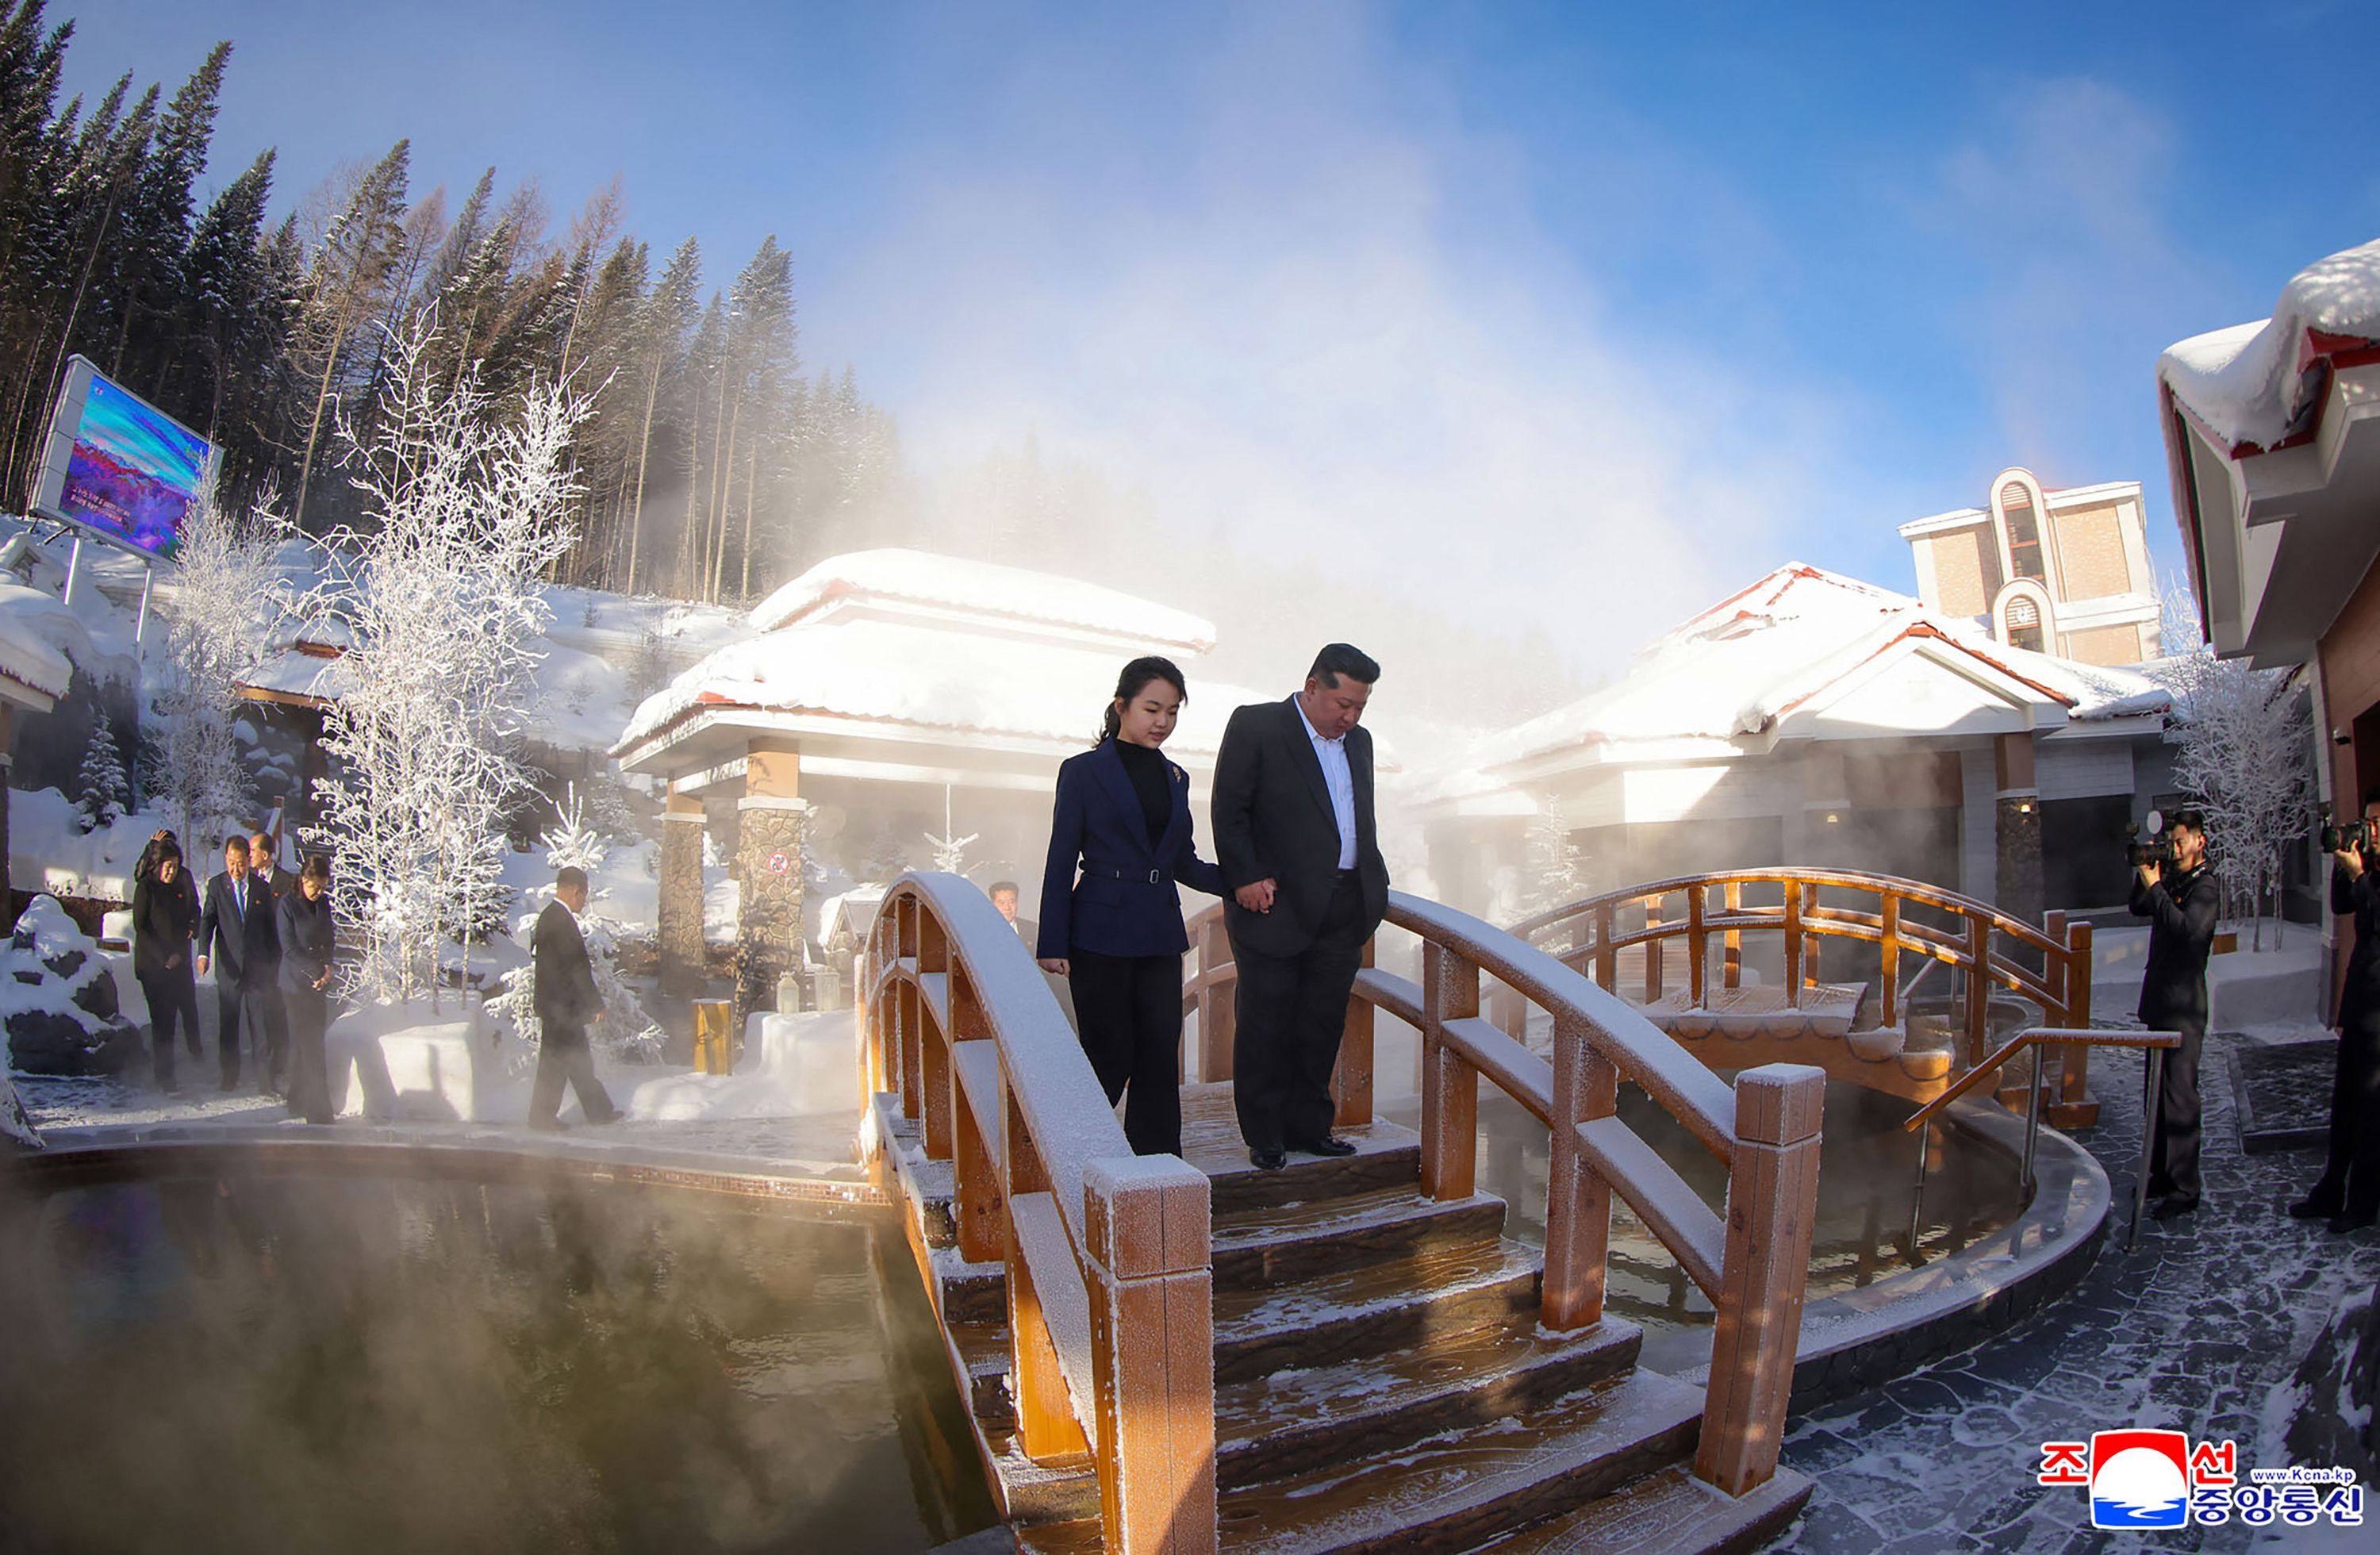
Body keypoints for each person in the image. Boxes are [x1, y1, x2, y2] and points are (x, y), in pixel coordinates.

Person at [1035, 658, 1226, 1156]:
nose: (1162, 721)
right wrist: (1051, 940)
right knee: (1107, 1052)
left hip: (1160, 933)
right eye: (1152, 708)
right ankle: (1076, 1155)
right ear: (1122, 705)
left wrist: (1239, 883)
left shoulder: (1176, 777)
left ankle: (1159, 1164)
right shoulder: (1081, 772)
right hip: (1099, 930)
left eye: (1172, 711)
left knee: (1160, 1054)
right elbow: (1061, 858)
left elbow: (1182, 859)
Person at [1211, 644, 1390, 1171]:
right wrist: (1243, 876)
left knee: (1321, 1023)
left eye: (1360, 706)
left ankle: (1311, 1128)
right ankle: (1265, 1134)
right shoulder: (1258, 726)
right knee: (1267, 1022)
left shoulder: (1361, 743)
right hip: (1274, 903)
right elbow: (1229, 807)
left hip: (1344, 904)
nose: (1351, 716)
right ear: (1313, 687)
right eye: (1343, 704)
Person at [2292, 789, 2380, 1233]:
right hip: (2360, 1002)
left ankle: (2363, 1204)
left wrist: (2362, 877)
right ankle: (2330, 1190)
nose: (2373, 832)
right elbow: (2343, 906)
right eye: (2369, 823)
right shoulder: (2371, 868)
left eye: (2378, 824)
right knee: (2344, 1106)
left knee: (2371, 1113)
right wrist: (2343, 864)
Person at [2129, 808, 2218, 1220]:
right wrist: (2146, 872)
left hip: (2184, 1007)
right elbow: (2139, 907)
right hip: (2160, 1003)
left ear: (2200, 841)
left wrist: (2158, 888)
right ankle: (2161, 1174)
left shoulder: (2206, 887)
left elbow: (2187, 934)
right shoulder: (2176, 879)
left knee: (2180, 1098)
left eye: (2182, 841)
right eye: (2173, 841)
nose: (2177, 847)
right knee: (2157, 1098)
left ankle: (2186, 1187)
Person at [528, 866, 623, 1131]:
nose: (585, 901)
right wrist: (595, 1003)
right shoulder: (559, 920)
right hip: (561, 1008)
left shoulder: (552, 917)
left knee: (577, 1061)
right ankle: (542, 1118)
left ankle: (598, 1111)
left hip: (558, 1007)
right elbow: (576, 968)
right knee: (556, 1065)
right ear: (574, 891)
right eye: (584, 895)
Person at [196, 835, 282, 1093]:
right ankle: (229, 1077)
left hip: (257, 969)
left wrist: (274, 963)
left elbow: (270, 928)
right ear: (226, 860)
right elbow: (207, 921)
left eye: (241, 864)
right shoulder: (216, 886)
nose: (236, 869)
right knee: (229, 1025)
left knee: (259, 1025)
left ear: (249, 861)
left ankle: (264, 1081)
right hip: (229, 967)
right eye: (232, 863)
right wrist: (203, 953)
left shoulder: (260, 888)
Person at [130, 837, 201, 1092]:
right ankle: (164, 1076)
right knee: (162, 1019)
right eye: (167, 866)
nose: (171, 871)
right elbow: (142, 927)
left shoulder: (179, 884)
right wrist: (164, 957)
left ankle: (169, 1071)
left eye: (175, 866)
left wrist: (190, 934)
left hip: (178, 961)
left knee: (174, 1016)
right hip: (153, 965)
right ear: (157, 864)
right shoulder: (146, 888)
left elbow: (190, 916)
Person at [275, 854, 339, 1126]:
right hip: (295, 984)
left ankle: (296, 1097)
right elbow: (289, 948)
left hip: (318, 982)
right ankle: (319, 1112)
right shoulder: (287, 905)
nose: (319, 893)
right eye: (315, 887)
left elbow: (328, 937)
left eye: (323, 887)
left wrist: (327, 967)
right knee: (312, 1046)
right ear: (303, 881)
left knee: (310, 1043)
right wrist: (314, 971)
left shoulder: (323, 903)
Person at [246, 830, 294, 1092]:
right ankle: (262, 1073)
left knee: (278, 1017)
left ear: (265, 854)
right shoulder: (248, 882)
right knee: (259, 1018)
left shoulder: (286, 882)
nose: (249, 855)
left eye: (253, 851)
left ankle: (280, 1068)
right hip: (257, 961)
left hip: (279, 960)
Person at [988, 880, 1038, 948]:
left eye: (1012, 902)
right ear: (992, 905)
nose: (1007, 907)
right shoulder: (983, 931)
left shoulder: (1034, 929)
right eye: (1002, 903)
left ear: (1017, 902)